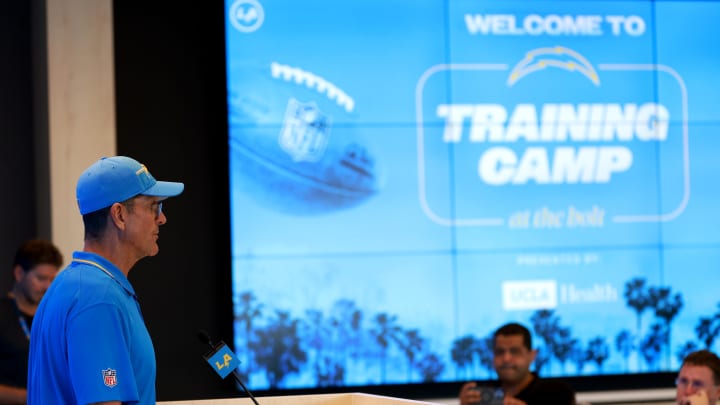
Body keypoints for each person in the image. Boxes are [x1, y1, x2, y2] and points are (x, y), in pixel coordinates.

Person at [27, 156, 184, 405]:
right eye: (154, 206)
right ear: (119, 215)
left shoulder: (72, 286)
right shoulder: (98, 300)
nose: (162, 219)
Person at [0, 239, 63, 405]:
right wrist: (30, 397)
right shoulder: (3, 314)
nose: (47, 287)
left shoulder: (55, 318)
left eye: (52, 279)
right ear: (19, 273)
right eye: (41, 278)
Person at [459, 322, 576, 405]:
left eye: (514, 351)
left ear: (532, 355)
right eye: (500, 352)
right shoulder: (482, 393)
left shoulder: (557, 392)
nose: (506, 358)